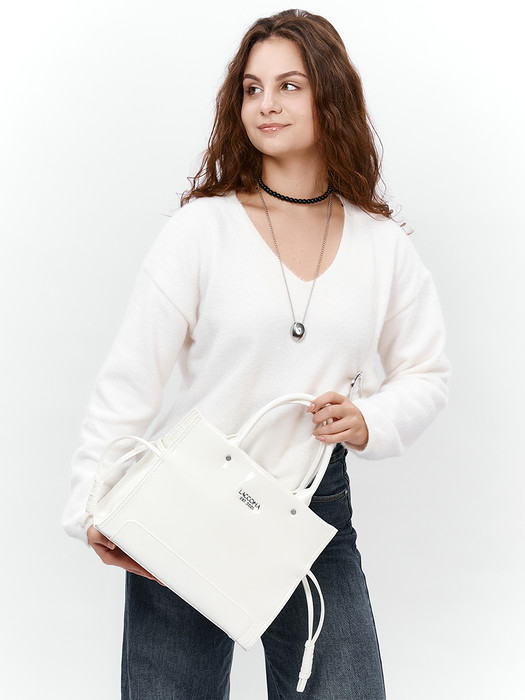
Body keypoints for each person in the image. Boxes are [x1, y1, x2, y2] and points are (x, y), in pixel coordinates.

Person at [63, 9, 450, 699]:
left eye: (289, 85)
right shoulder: (201, 230)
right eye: (251, 88)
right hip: (185, 500)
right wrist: (91, 503)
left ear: (330, 94)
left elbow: (426, 373)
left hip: (312, 508)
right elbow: (130, 379)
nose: (265, 103)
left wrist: (369, 419)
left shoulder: (381, 245)